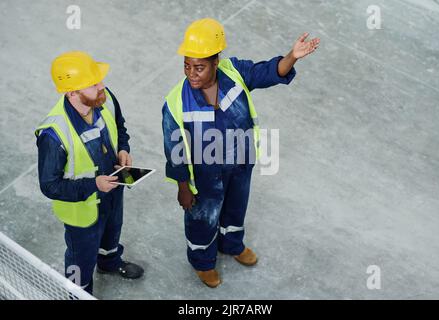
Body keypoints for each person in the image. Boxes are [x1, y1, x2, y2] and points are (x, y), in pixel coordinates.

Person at [162, 18, 320, 288]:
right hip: (205, 174)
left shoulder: (234, 72)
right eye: (187, 65)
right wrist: (182, 186)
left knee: (236, 207)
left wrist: (292, 56)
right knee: (203, 217)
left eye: (199, 67)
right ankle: (203, 262)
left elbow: (267, 72)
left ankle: (232, 243)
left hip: (240, 162)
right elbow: (174, 151)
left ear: (216, 61)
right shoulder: (176, 102)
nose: (192, 73)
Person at [35, 51, 144, 295]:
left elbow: (120, 126)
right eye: (93, 83)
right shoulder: (53, 135)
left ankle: (109, 263)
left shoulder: (104, 99)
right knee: (80, 259)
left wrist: (123, 149)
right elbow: (49, 186)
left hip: (113, 192)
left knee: (111, 235)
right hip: (82, 210)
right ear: (71, 92)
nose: (101, 86)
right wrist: (94, 185)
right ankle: (78, 292)